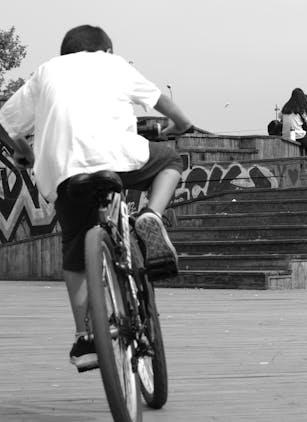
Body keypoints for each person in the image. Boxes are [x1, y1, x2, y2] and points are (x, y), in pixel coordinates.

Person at [0, 25, 192, 372]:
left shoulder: (47, 72)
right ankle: (151, 215)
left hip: (65, 170)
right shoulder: (114, 64)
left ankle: (84, 336)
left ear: (66, 52)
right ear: (104, 50)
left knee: (75, 253)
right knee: (171, 162)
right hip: (120, 157)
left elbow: (6, 122)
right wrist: (173, 128)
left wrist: (25, 153)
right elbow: (179, 116)